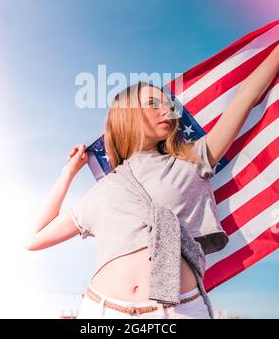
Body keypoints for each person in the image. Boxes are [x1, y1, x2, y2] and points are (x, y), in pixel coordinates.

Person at [24, 44, 279, 319]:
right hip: (101, 311)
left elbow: (245, 97)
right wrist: (68, 174)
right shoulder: (105, 189)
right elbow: (34, 239)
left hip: (178, 311)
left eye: (169, 106)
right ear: (126, 113)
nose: (167, 111)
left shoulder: (192, 159)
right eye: (152, 104)